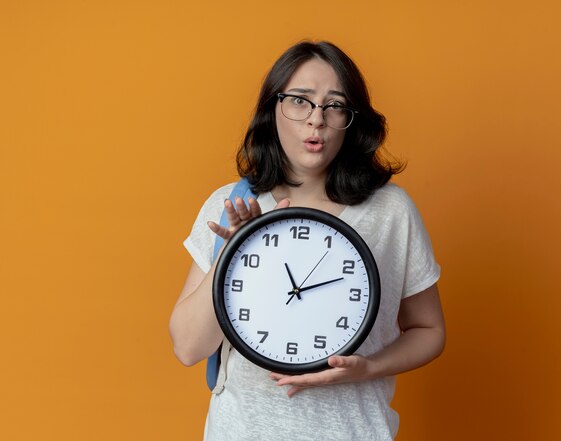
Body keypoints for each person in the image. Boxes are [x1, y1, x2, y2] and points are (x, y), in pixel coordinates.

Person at [169, 40, 445, 441]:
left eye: (334, 105)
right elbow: (188, 348)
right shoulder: (230, 206)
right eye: (299, 101)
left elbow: (429, 330)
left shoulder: (390, 211)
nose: (316, 120)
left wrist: (368, 368)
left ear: (352, 120)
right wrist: (234, 251)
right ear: (273, 108)